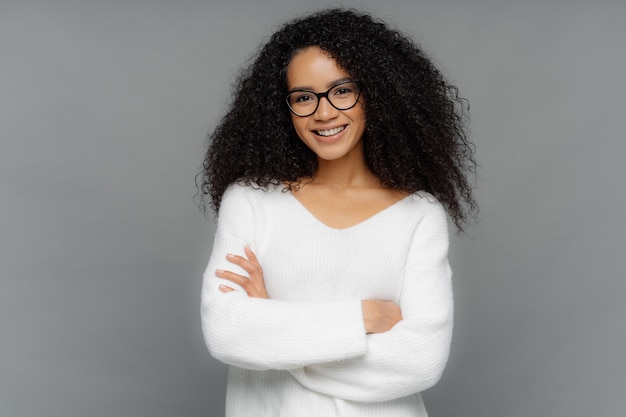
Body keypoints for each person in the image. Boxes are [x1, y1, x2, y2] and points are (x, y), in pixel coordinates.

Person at [198, 8, 477, 417]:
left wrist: (277, 329)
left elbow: (421, 360)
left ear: (376, 93)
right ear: (284, 109)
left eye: (342, 90)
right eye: (304, 97)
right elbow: (227, 333)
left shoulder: (419, 215)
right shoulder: (251, 202)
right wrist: (361, 318)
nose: (324, 113)